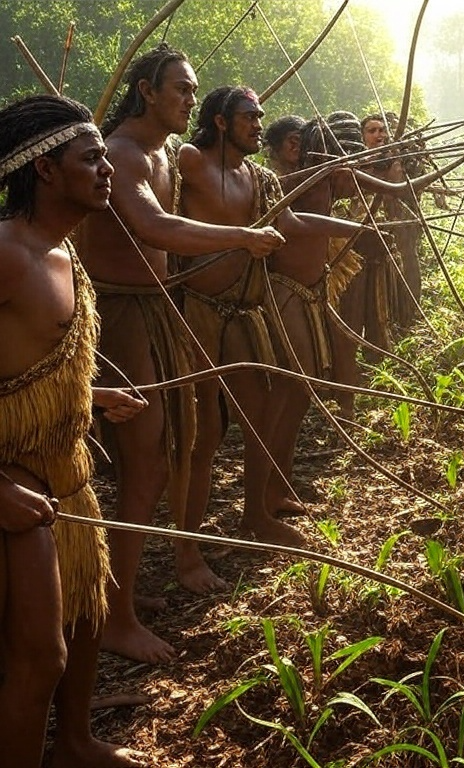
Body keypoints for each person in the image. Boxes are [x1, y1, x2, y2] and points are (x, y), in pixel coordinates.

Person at [77, 44, 286, 665]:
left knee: (164, 455)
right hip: (119, 315)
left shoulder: (163, 153)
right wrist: (244, 238)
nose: (191, 101)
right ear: (146, 90)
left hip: (155, 311)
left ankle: (122, 595)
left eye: (195, 91)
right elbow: (157, 229)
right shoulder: (122, 153)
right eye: (181, 89)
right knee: (145, 463)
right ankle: (112, 615)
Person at [0, 93, 147, 768]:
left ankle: (77, 742)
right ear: (46, 170)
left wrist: (92, 393)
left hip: (68, 468)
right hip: (16, 476)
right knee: (40, 656)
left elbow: (30, 360)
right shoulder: (5, 253)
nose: (106, 168)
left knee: (88, 609)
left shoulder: (63, 254)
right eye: (90, 158)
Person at [176, 86, 364, 591]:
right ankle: (187, 554)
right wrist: (239, 238)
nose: (258, 124)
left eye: (260, 116)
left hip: (243, 309)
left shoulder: (257, 178)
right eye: (248, 117)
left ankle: (254, 516)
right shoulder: (190, 161)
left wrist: (354, 222)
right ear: (219, 121)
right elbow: (161, 222)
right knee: (201, 433)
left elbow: (290, 222)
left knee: (257, 414)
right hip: (196, 310)